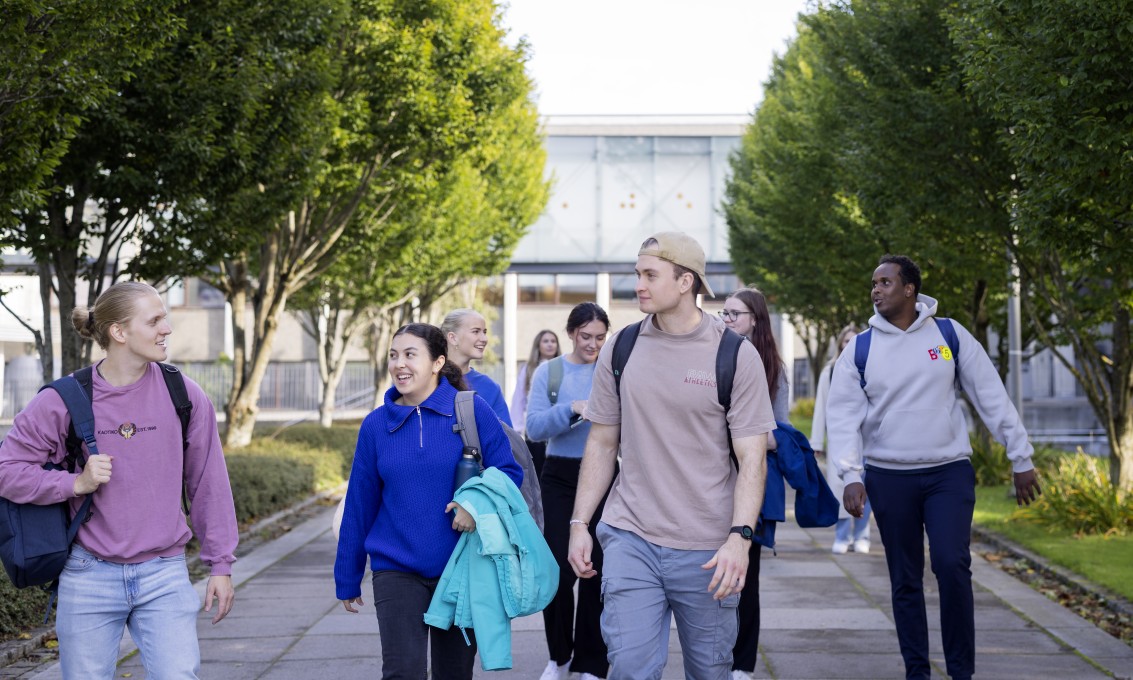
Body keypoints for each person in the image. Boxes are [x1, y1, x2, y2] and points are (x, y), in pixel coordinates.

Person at [0, 281, 238, 678]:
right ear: (119, 332)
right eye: (155, 320)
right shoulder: (64, 399)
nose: (167, 328)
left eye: (165, 317)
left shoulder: (184, 395)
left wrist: (221, 564)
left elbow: (208, 483)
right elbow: (7, 471)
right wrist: (73, 484)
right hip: (88, 574)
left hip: (164, 573)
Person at [567, 232, 774, 680]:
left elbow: (753, 460)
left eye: (649, 275)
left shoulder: (734, 355)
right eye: (637, 274)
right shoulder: (621, 348)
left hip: (709, 548)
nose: (638, 284)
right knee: (629, 668)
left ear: (685, 282)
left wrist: (740, 538)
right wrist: (580, 523)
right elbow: (602, 444)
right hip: (630, 536)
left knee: (710, 670)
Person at [826, 255, 1041, 680]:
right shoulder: (861, 349)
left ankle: (962, 671)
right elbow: (843, 416)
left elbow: (991, 396)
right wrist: (850, 475)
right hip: (889, 477)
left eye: (885, 282)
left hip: (948, 473)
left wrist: (1021, 457)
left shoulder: (949, 335)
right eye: (873, 283)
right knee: (905, 579)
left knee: (951, 563)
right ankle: (917, 672)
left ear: (910, 290)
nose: (875, 290)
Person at [335, 323, 522, 680]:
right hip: (395, 566)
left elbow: (509, 472)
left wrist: (475, 506)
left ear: (437, 362)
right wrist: (348, 574)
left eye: (410, 355)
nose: (399, 364)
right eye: (393, 355)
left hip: (461, 566)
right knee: (402, 671)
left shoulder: (471, 410)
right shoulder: (376, 425)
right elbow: (360, 502)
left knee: (454, 673)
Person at [525, 303, 610, 680]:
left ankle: (592, 663)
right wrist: (572, 410)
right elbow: (533, 428)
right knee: (557, 571)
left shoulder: (614, 370)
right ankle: (558, 657)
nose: (592, 344)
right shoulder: (551, 371)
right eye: (586, 336)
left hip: (605, 474)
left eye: (600, 337)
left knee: (597, 571)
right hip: (558, 476)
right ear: (572, 332)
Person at [719, 287, 788, 680]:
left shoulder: (773, 367)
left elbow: (779, 433)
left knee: (747, 577)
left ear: (755, 319)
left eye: (734, 315)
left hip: (752, 480)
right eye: (723, 314)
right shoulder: (713, 355)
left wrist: (743, 433)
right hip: (710, 479)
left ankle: (742, 666)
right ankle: (717, 657)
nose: (726, 321)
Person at [811, 323, 872, 555]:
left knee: (867, 492)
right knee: (842, 490)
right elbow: (822, 409)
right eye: (846, 341)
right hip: (842, 442)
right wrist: (817, 442)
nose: (849, 345)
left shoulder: (871, 367)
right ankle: (842, 535)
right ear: (840, 345)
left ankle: (862, 535)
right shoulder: (831, 370)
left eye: (853, 340)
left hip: (869, 443)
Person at [442, 308, 512, 426]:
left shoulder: (490, 388)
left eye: (484, 332)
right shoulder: (428, 380)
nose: (484, 339)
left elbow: (507, 439)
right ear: (453, 338)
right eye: (475, 331)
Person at [511, 329, 561, 477]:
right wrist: (517, 429)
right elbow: (518, 399)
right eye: (546, 341)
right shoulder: (528, 369)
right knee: (537, 472)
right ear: (538, 345)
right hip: (535, 429)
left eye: (553, 341)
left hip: (558, 429)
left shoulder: (563, 368)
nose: (550, 345)